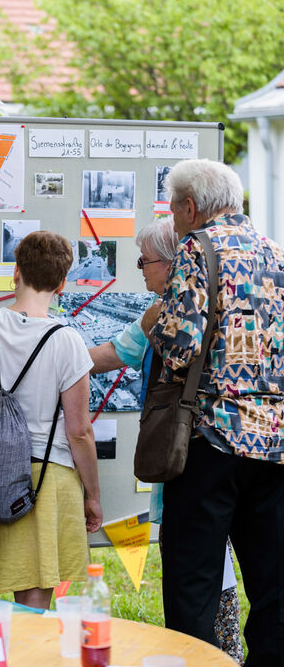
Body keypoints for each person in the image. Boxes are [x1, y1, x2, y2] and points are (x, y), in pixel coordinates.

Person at [143, 159, 284, 667]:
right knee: (273, 585)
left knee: (193, 584)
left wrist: (153, 323)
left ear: (189, 206)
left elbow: (179, 348)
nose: (174, 219)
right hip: (274, 442)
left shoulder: (196, 248)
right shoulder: (277, 253)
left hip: (211, 439)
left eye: (174, 210)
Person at [90, 216, 243, 665]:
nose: (140, 268)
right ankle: (222, 648)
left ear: (174, 262)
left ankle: (208, 649)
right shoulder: (193, 300)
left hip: (193, 450)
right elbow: (118, 350)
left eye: (146, 260)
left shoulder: (166, 311)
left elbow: (116, 353)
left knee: (198, 563)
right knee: (217, 556)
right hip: (227, 451)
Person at [0, 230, 102, 609]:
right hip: (43, 477)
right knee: (34, 594)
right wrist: (94, 495)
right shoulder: (66, 339)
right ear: (62, 283)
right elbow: (79, 432)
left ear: (16, 272)